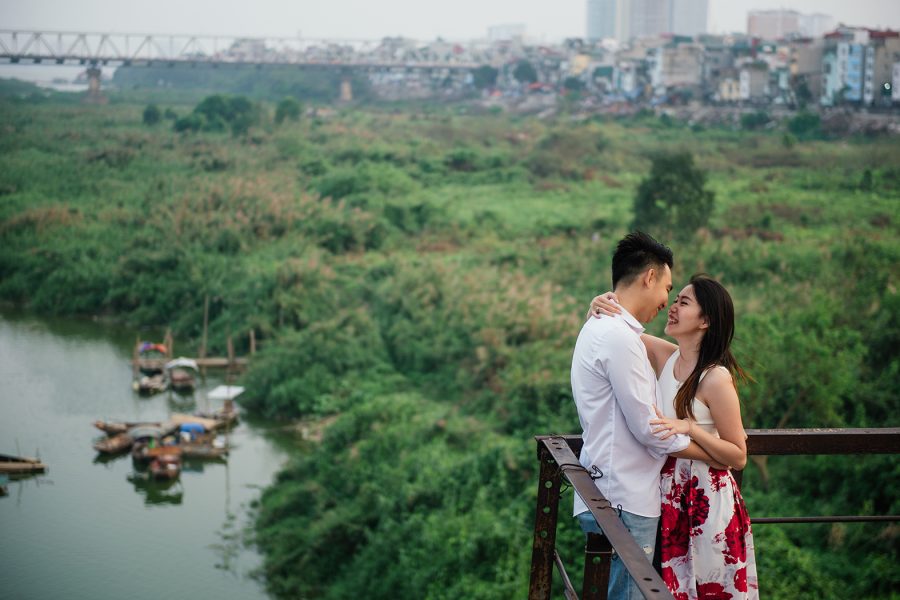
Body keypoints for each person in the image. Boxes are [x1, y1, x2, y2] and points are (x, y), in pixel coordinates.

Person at [571, 232, 722, 600]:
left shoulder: (606, 328)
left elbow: (683, 367)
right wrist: (716, 453)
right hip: (625, 498)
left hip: (616, 490)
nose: (667, 302)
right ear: (649, 277)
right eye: (668, 289)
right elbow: (649, 430)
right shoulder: (620, 337)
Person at [590, 274, 759, 599]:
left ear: (705, 320)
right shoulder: (667, 357)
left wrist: (691, 428)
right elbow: (616, 332)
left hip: (707, 504)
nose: (672, 307)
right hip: (668, 497)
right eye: (675, 299)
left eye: (684, 302)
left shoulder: (715, 378)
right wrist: (598, 303)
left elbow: (738, 456)